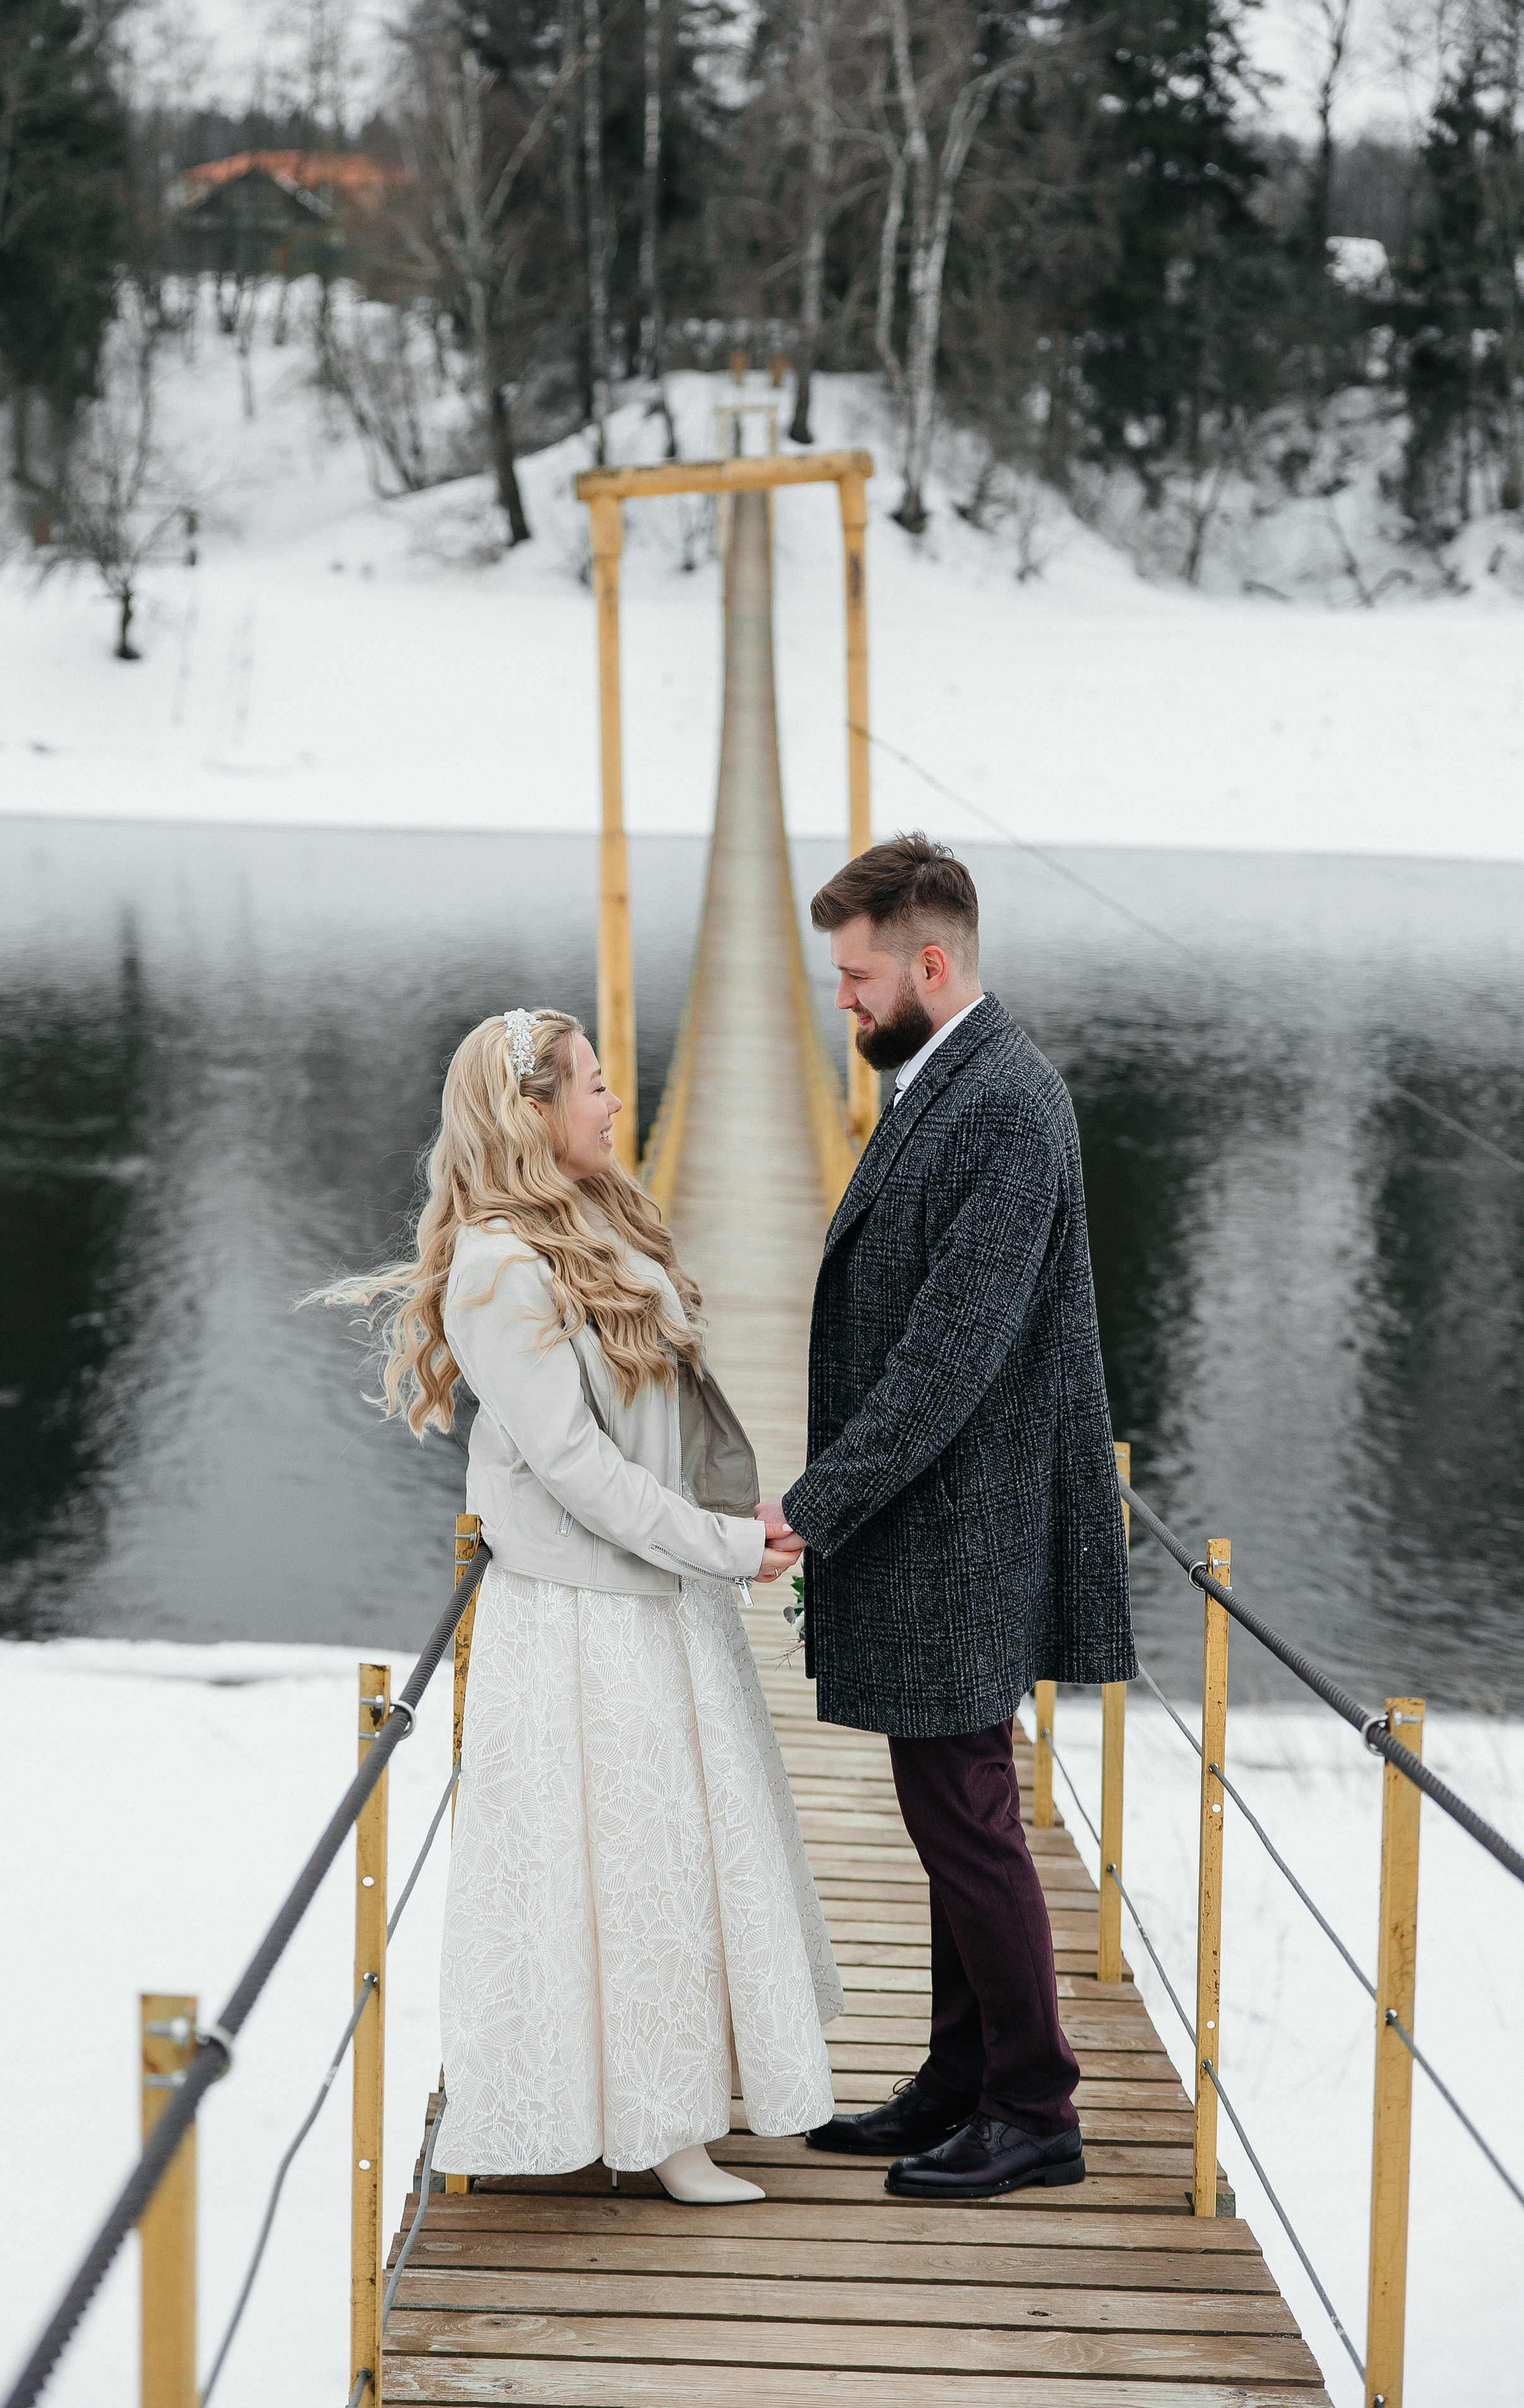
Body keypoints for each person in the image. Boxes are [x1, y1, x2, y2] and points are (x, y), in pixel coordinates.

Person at [317, 1007, 841, 2204]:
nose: (615, 1102)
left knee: (682, 1852)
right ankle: (656, 2129)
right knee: (624, 1855)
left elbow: (661, 1415)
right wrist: (721, 1544)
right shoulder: (500, 1269)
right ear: (533, 1112)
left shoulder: (596, 1217)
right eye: (595, 1084)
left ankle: (692, 2096)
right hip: (586, 1617)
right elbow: (575, 1471)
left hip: (659, 1591)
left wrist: (725, 1521)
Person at [761, 835, 1135, 2202]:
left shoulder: (1004, 1105)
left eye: (856, 977)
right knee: (946, 1809)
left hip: (964, 1525)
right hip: (945, 1519)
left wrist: (814, 1505)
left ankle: (1032, 2106)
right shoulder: (944, 1080)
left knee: (965, 1813)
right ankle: (959, 2074)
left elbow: (947, 1358)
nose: (842, 1001)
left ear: (931, 963)